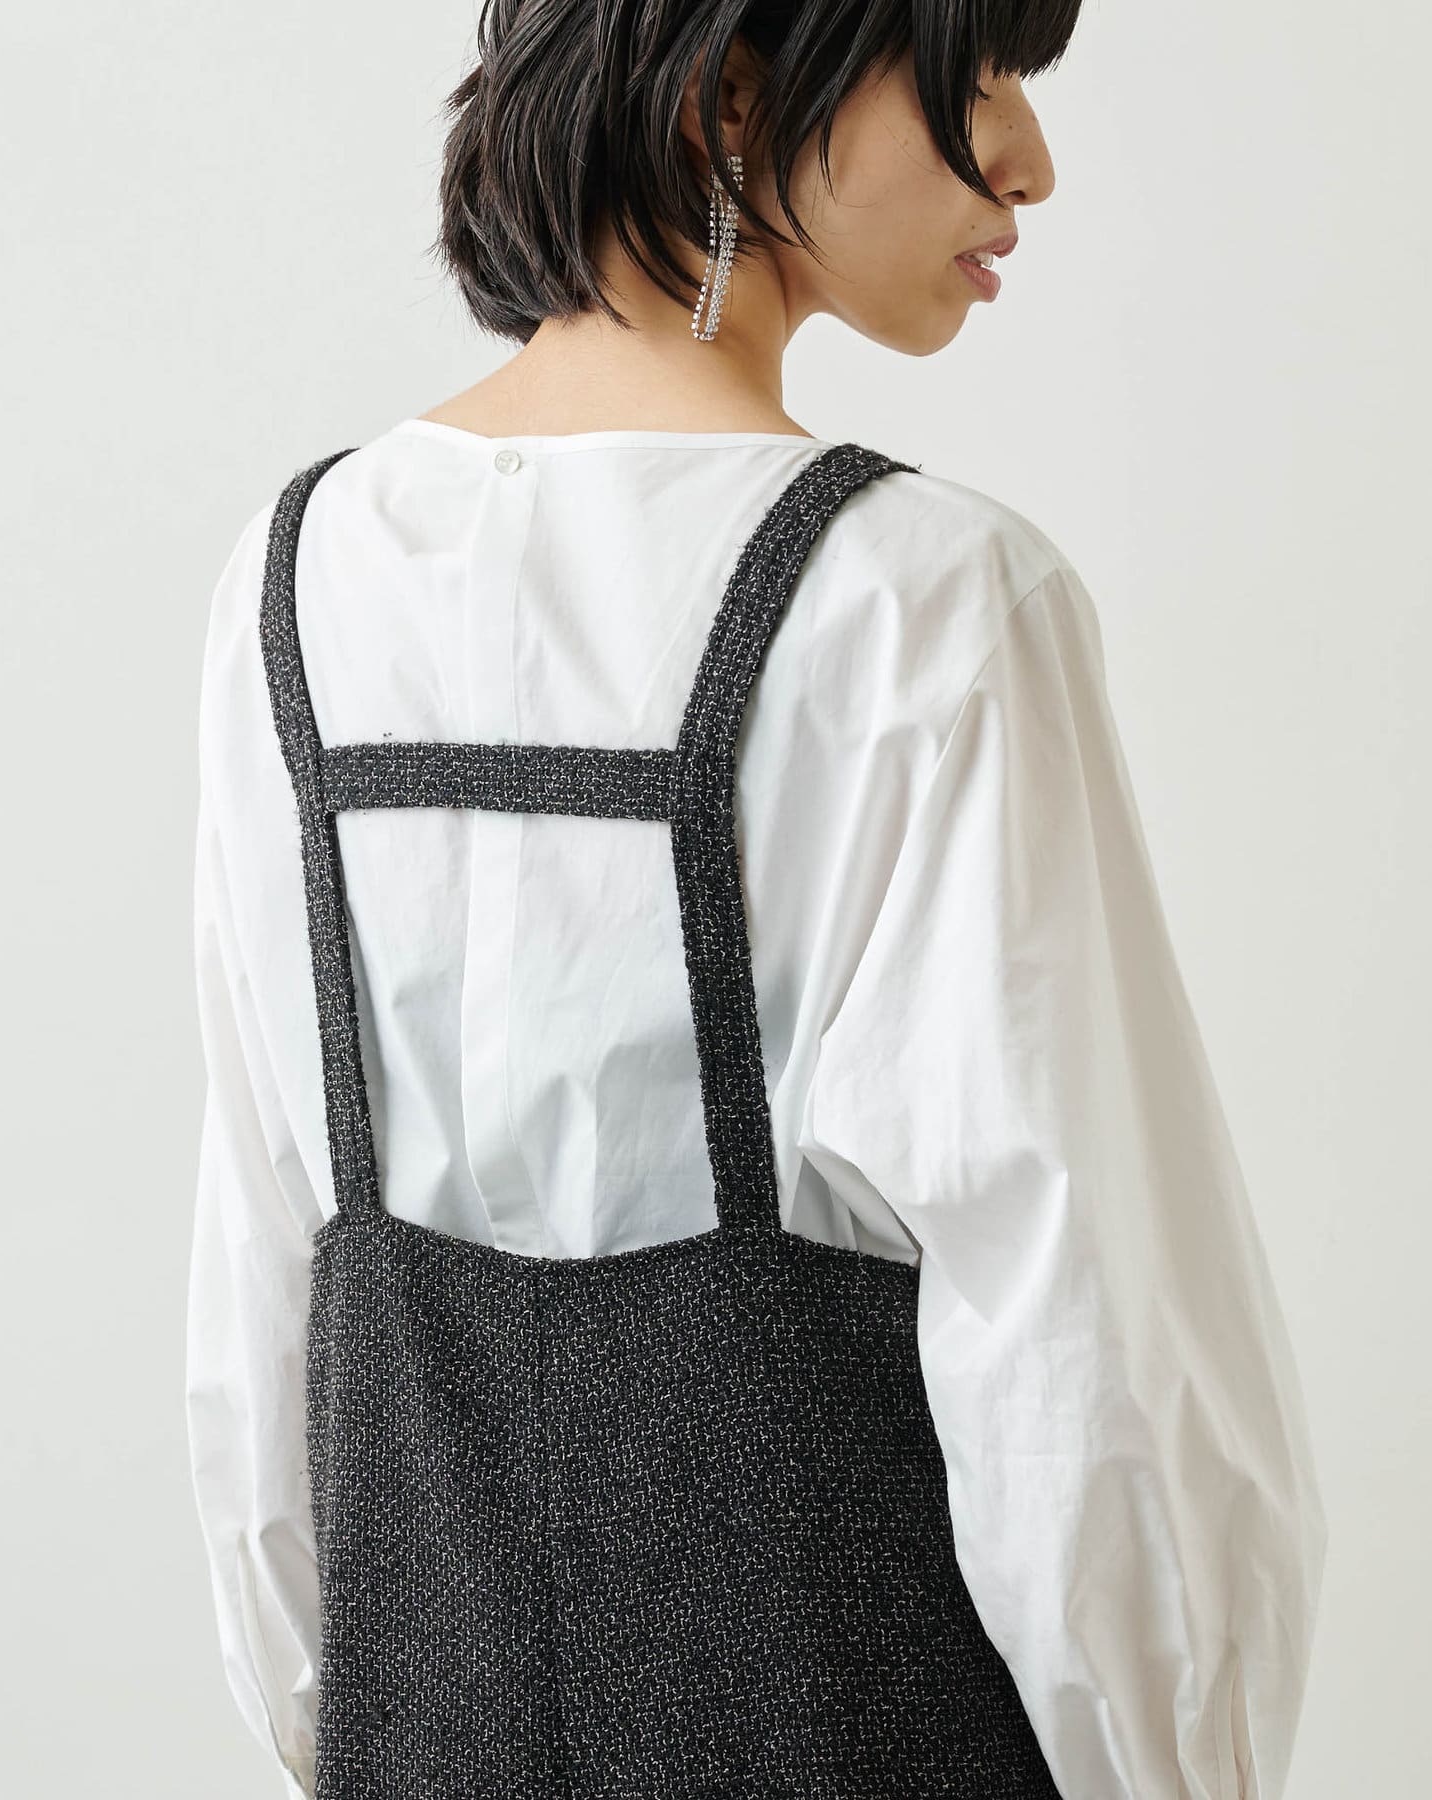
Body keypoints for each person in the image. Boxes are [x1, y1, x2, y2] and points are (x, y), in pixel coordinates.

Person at [185, 4, 1328, 1798]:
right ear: (732, 92)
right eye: (974, 76)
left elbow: (264, 1280)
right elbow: (1087, 1354)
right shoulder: (927, 604)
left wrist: (348, 1733)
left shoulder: (299, 575)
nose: (1028, 160)